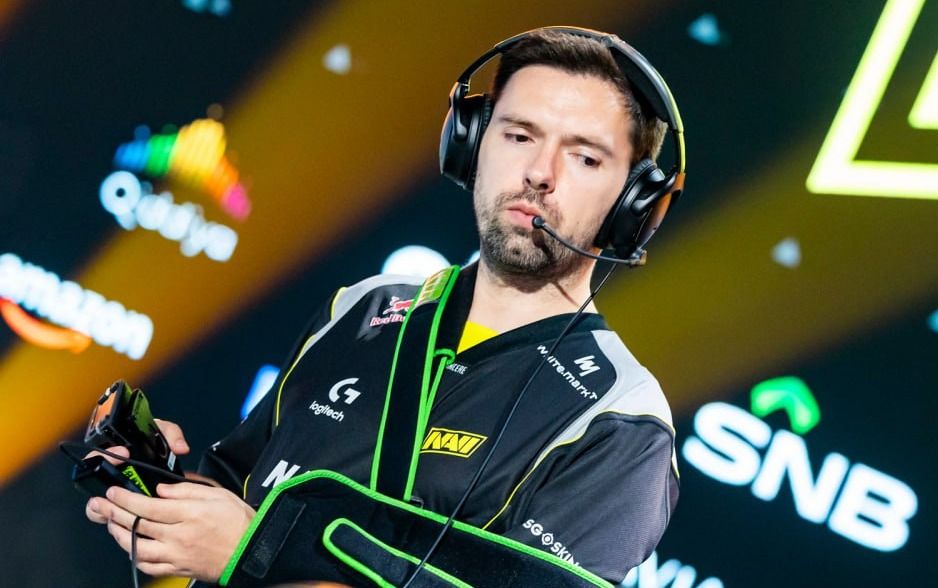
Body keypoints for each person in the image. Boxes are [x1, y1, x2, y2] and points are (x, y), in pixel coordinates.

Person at [84, 26, 685, 587]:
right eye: (519, 135)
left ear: (636, 205)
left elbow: (248, 542)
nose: (539, 173)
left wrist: (259, 548)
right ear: (470, 143)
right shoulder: (362, 307)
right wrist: (160, 498)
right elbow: (238, 499)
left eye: (584, 157)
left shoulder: (619, 418)